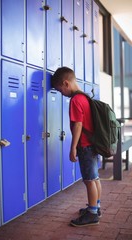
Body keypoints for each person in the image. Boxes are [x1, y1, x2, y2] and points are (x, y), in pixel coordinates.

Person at [51, 67, 102, 227]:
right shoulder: (85, 97)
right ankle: (96, 207)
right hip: (93, 144)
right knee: (95, 178)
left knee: (88, 180)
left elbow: (78, 125)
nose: (62, 94)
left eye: (60, 90)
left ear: (66, 83)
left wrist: (73, 147)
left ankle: (92, 214)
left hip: (85, 146)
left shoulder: (75, 100)